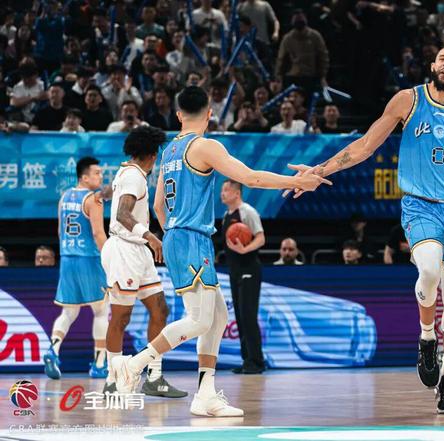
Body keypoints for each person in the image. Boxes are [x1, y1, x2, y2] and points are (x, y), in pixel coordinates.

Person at [288, 46, 444, 414]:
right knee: (429, 270)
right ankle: (426, 338)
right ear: (432, 65)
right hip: (420, 204)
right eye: (442, 58)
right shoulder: (407, 101)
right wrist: (319, 171)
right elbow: (364, 146)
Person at [111, 86, 329, 417]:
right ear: (210, 113)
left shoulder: (168, 151)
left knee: (218, 317)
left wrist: (173, 234)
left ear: (179, 114)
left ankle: (205, 394)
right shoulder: (204, 146)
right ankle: (134, 364)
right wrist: (296, 181)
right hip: (190, 237)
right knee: (199, 319)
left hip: (180, 236)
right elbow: (251, 179)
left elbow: (158, 206)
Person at [101, 126, 186, 398]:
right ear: (152, 155)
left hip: (138, 250)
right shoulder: (134, 176)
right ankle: (113, 380)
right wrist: (151, 237)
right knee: (121, 316)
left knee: (160, 310)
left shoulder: (127, 172)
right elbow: (123, 214)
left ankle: (154, 377)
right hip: (124, 249)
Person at [43, 158, 109, 380]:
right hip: (89, 259)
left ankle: (53, 349)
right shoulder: (93, 199)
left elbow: (60, 231)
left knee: (69, 312)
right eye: (97, 173)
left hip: (68, 258)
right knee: (101, 310)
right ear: (85, 177)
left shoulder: (64, 197)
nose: (101, 176)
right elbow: (98, 234)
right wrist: (109, 258)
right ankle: (99, 363)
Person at [220, 180, 267, 374]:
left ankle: (257, 362)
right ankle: (247, 360)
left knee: (248, 315)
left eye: (226, 190)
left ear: (237, 193)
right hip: (235, 270)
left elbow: (261, 238)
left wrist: (244, 249)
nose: (222, 193)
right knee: (240, 316)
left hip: (250, 269)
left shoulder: (248, 212)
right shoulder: (226, 215)